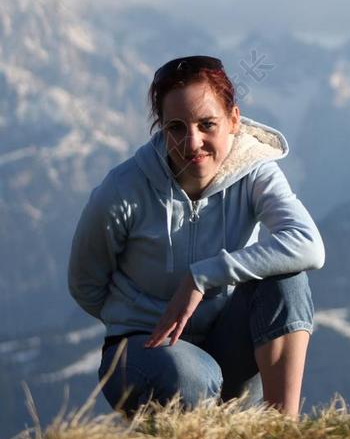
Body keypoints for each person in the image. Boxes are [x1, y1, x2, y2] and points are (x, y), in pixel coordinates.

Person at [67, 55, 325, 418]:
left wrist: (203, 275)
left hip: (227, 348)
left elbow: (309, 245)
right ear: (160, 127)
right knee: (188, 375)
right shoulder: (123, 190)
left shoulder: (255, 171)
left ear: (234, 120)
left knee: (288, 281)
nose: (192, 143)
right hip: (145, 351)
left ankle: (284, 438)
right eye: (176, 127)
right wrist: (137, 317)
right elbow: (85, 284)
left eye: (207, 124)